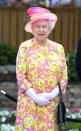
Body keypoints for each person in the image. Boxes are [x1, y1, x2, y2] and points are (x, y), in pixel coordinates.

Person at [15, 7, 68, 130]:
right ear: (32, 29)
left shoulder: (58, 48)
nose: (41, 30)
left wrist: (50, 95)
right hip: (29, 104)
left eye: (44, 26)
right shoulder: (25, 47)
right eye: (37, 27)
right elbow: (20, 75)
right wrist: (35, 97)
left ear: (50, 28)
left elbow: (64, 77)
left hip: (50, 104)